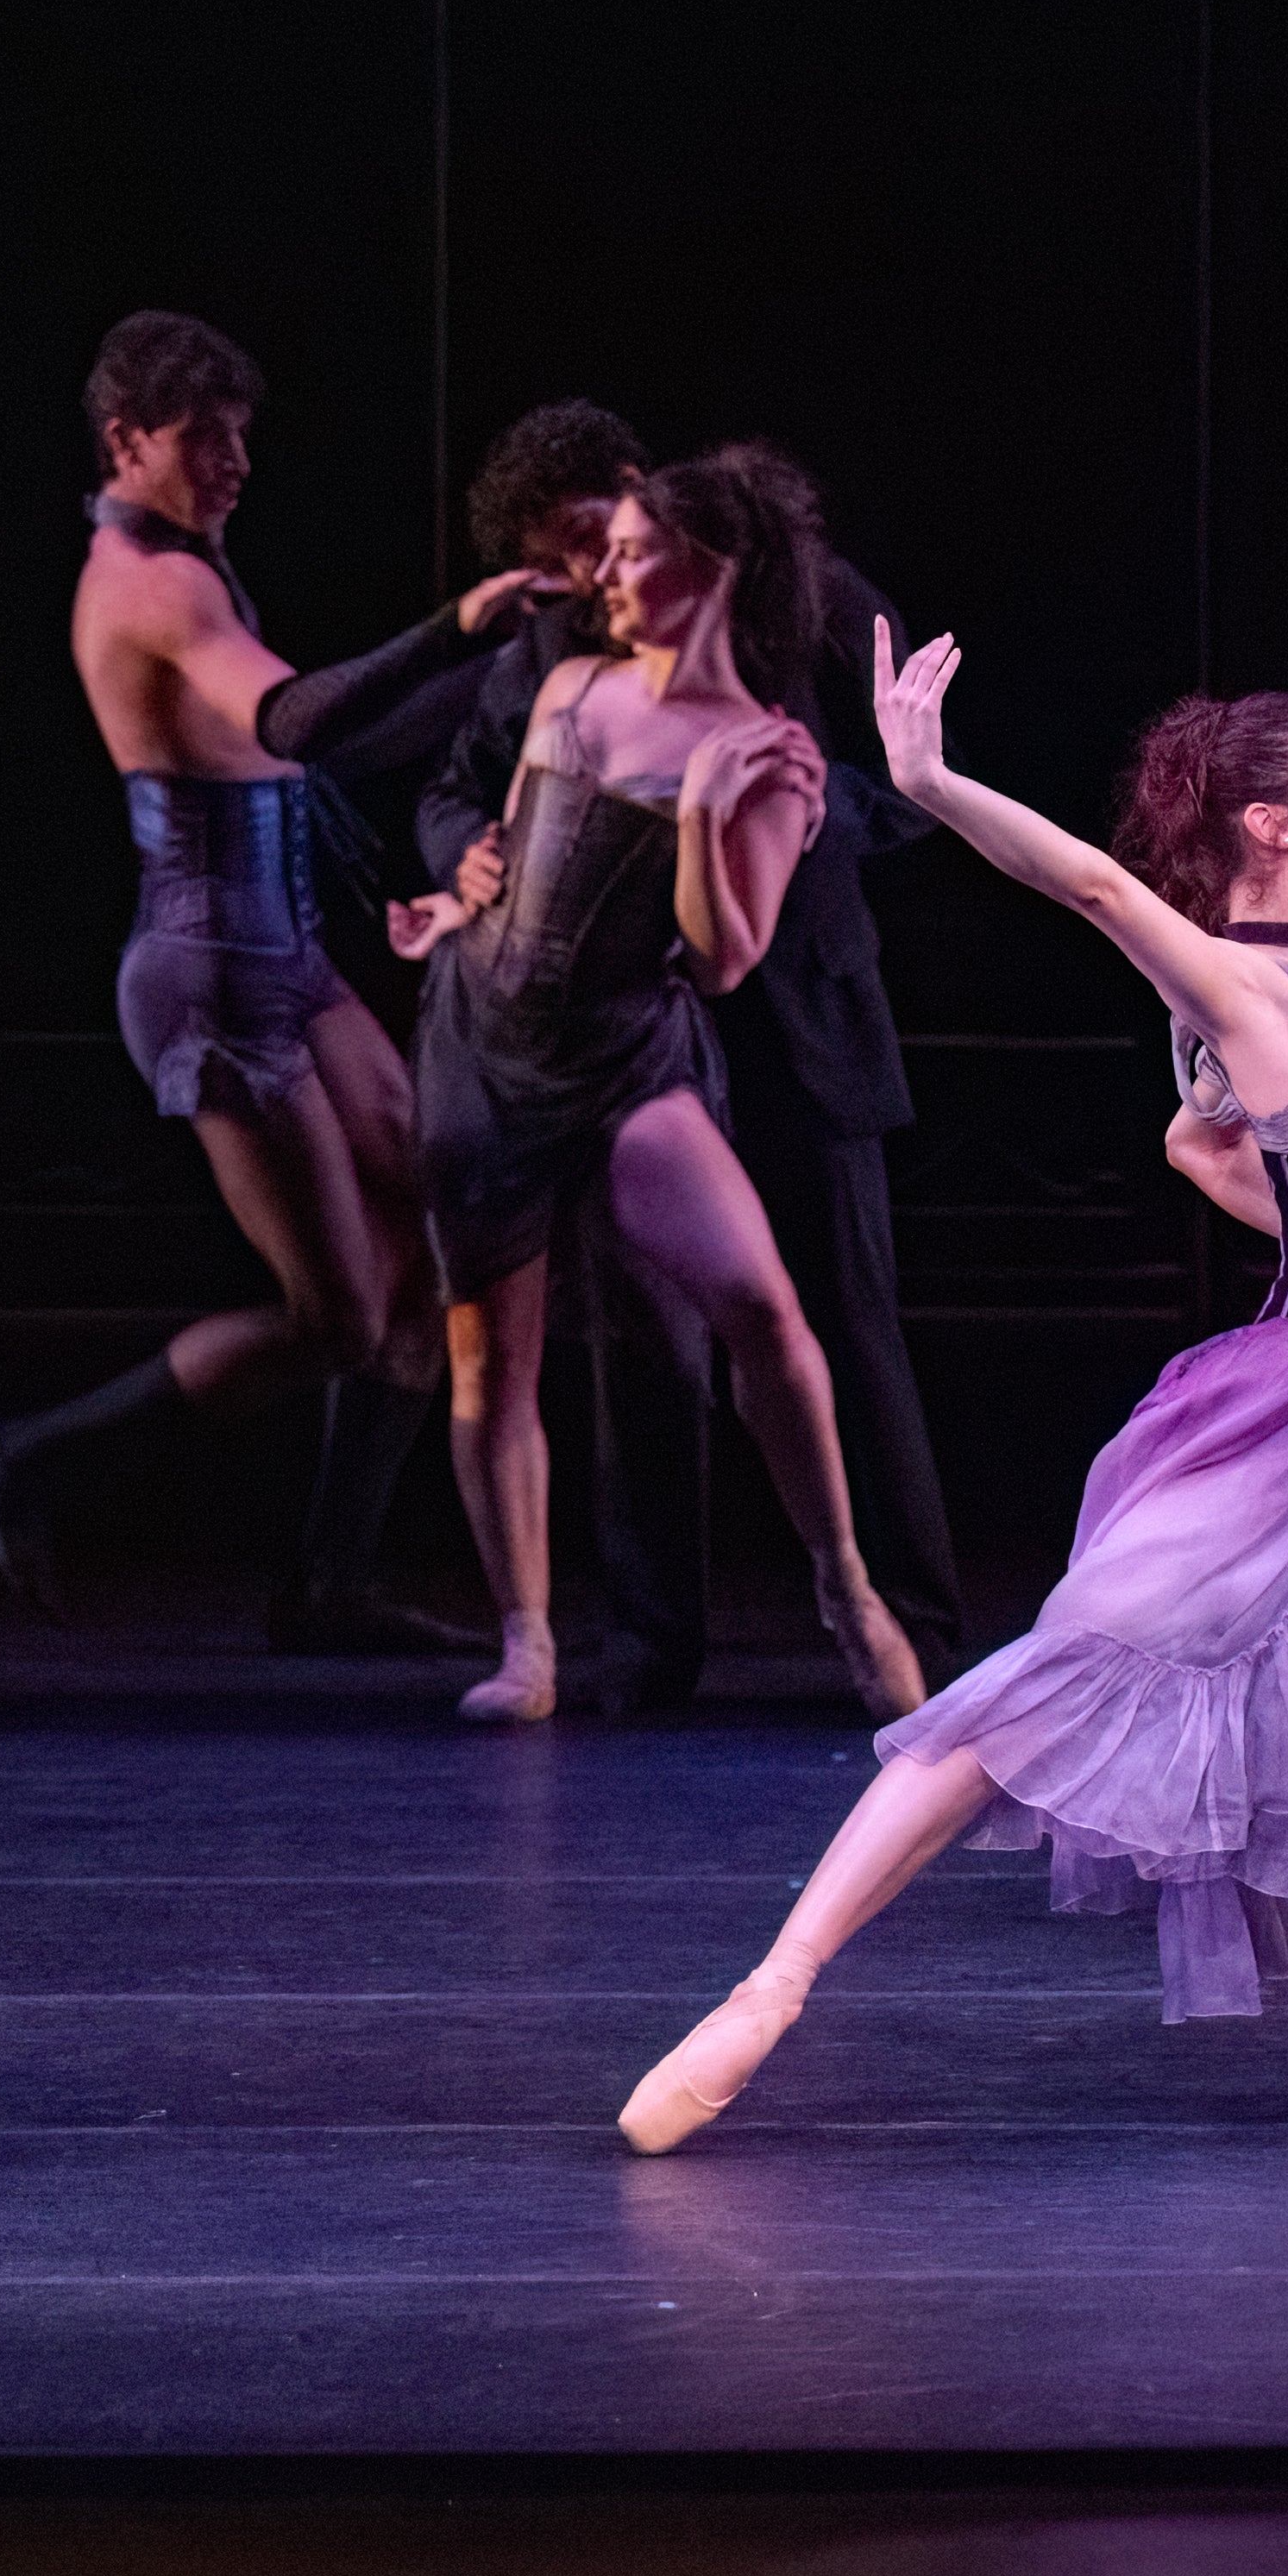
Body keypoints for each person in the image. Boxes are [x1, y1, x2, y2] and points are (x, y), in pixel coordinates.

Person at [613, 643, 1288, 2149]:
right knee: (1070, 1668)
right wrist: (929, 781)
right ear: (1266, 821)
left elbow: (1226, 1161)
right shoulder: (1238, 977)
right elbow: (1101, 892)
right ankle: (768, 1988)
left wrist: (1251, 1171)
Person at [0, 312, 539, 1647]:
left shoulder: (191, 564)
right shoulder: (152, 587)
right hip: (211, 972)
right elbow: (299, 721)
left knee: (436, 1207)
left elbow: (313, 755)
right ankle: (32, 1456)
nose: (236, 462)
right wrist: (462, 628)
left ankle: (331, 1581)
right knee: (341, 1313)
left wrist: (504, 671)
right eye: (204, 437)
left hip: (285, 950)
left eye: (242, 436)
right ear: (126, 440)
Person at [408, 403, 966, 1710]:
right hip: (566, 1032)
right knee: (629, 1347)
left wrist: (779, 820)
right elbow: (467, 796)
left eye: (601, 542)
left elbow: (911, 776)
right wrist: (459, 873)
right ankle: (636, 1645)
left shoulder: (808, 605)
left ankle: (904, 1624)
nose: (587, 575)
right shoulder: (570, 656)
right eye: (568, 558)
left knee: (826, 1309)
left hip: (782, 1009)